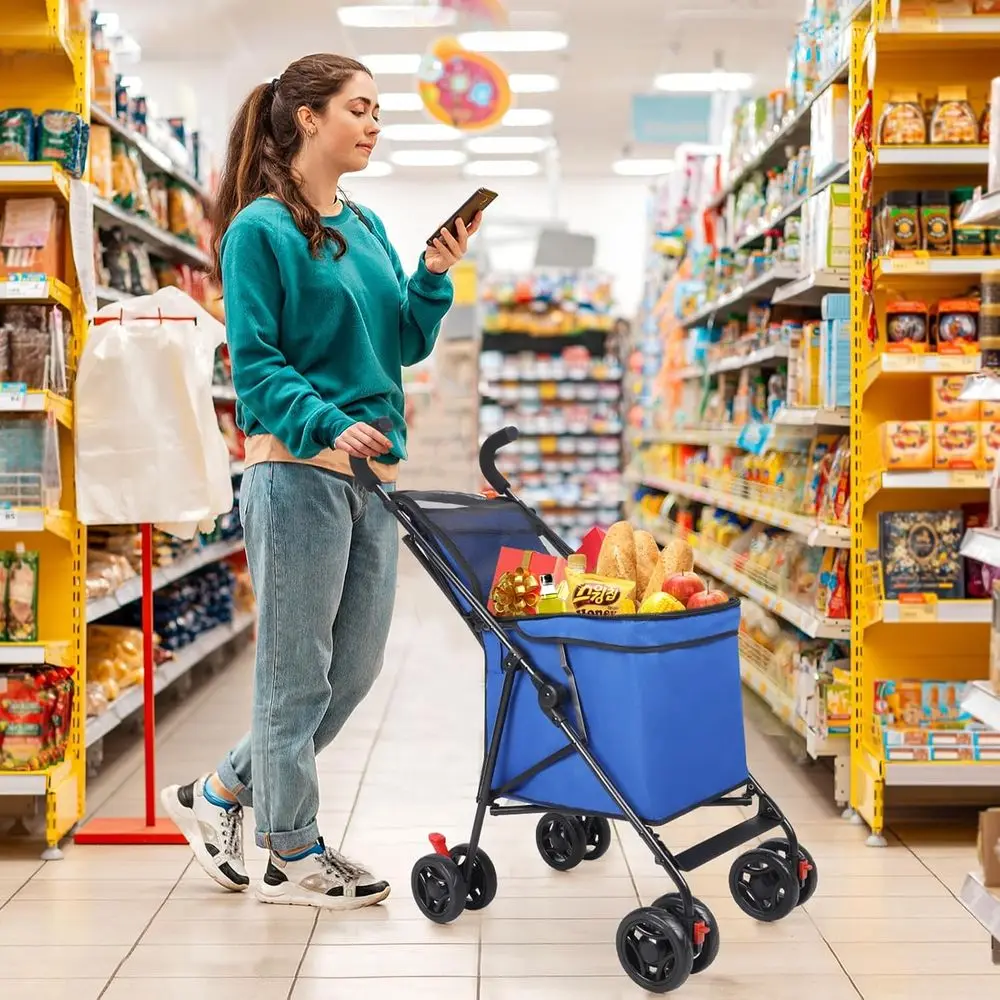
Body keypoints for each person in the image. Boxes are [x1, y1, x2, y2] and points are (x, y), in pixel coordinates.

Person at [161, 53, 480, 910]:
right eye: (361, 108)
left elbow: (400, 344)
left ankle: (221, 794)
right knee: (295, 672)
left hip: (371, 478)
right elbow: (258, 368)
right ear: (307, 118)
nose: (375, 124)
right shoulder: (258, 230)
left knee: (354, 670)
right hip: (298, 473)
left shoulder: (367, 225)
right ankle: (291, 852)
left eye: (377, 111)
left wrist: (434, 279)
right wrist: (327, 421)